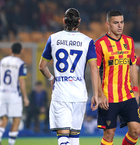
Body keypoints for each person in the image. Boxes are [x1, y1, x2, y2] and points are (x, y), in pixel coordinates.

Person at [39, 8, 99, 145]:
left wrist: (51, 79)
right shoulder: (87, 41)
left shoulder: (53, 39)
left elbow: (42, 66)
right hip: (79, 94)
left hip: (61, 93)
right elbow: (94, 68)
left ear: (63, 21)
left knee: (63, 137)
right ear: (79, 22)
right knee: (74, 138)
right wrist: (95, 94)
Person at [95, 10, 140, 145]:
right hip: (108, 97)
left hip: (127, 94)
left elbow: (132, 66)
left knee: (135, 131)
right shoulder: (100, 44)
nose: (120, 26)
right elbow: (95, 71)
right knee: (109, 134)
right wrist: (100, 94)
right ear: (108, 24)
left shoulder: (129, 41)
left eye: (122, 22)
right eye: (116, 23)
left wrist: (135, 88)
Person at [0, 42, 29, 145]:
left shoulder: (3, 61)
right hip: (14, 94)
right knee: (16, 119)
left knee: (4, 118)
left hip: (2, 93)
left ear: (10, 50)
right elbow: (21, 81)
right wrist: (25, 97)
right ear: (21, 51)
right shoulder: (20, 63)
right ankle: (11, 143)